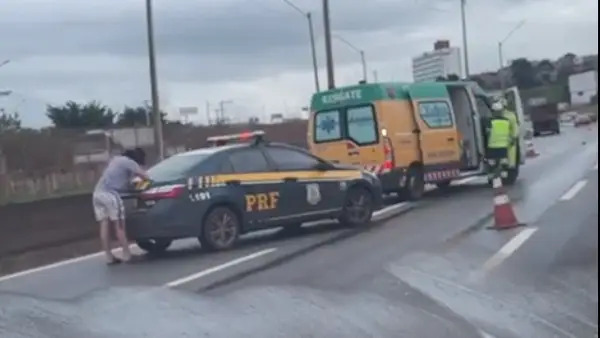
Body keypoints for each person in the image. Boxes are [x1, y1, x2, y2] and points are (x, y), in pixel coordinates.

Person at [92, 149, 149, 264]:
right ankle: (127, 254)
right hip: (110, 194)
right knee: (119, 225)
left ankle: (108, 256)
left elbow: (122, 180)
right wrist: (143, 186)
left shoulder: (115, 160)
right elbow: (146, 176)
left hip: (97, 193)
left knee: (104, 223)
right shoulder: (130, 163)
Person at [486, 101, 513, 180]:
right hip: (503, 146)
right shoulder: (507, 121)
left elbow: (487, 133)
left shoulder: (490, 121)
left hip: (492, 146)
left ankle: (492, 178)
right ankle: (504, 178)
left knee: (492, 164)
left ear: (493, 112)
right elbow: (510, 134)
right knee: (504, 163)